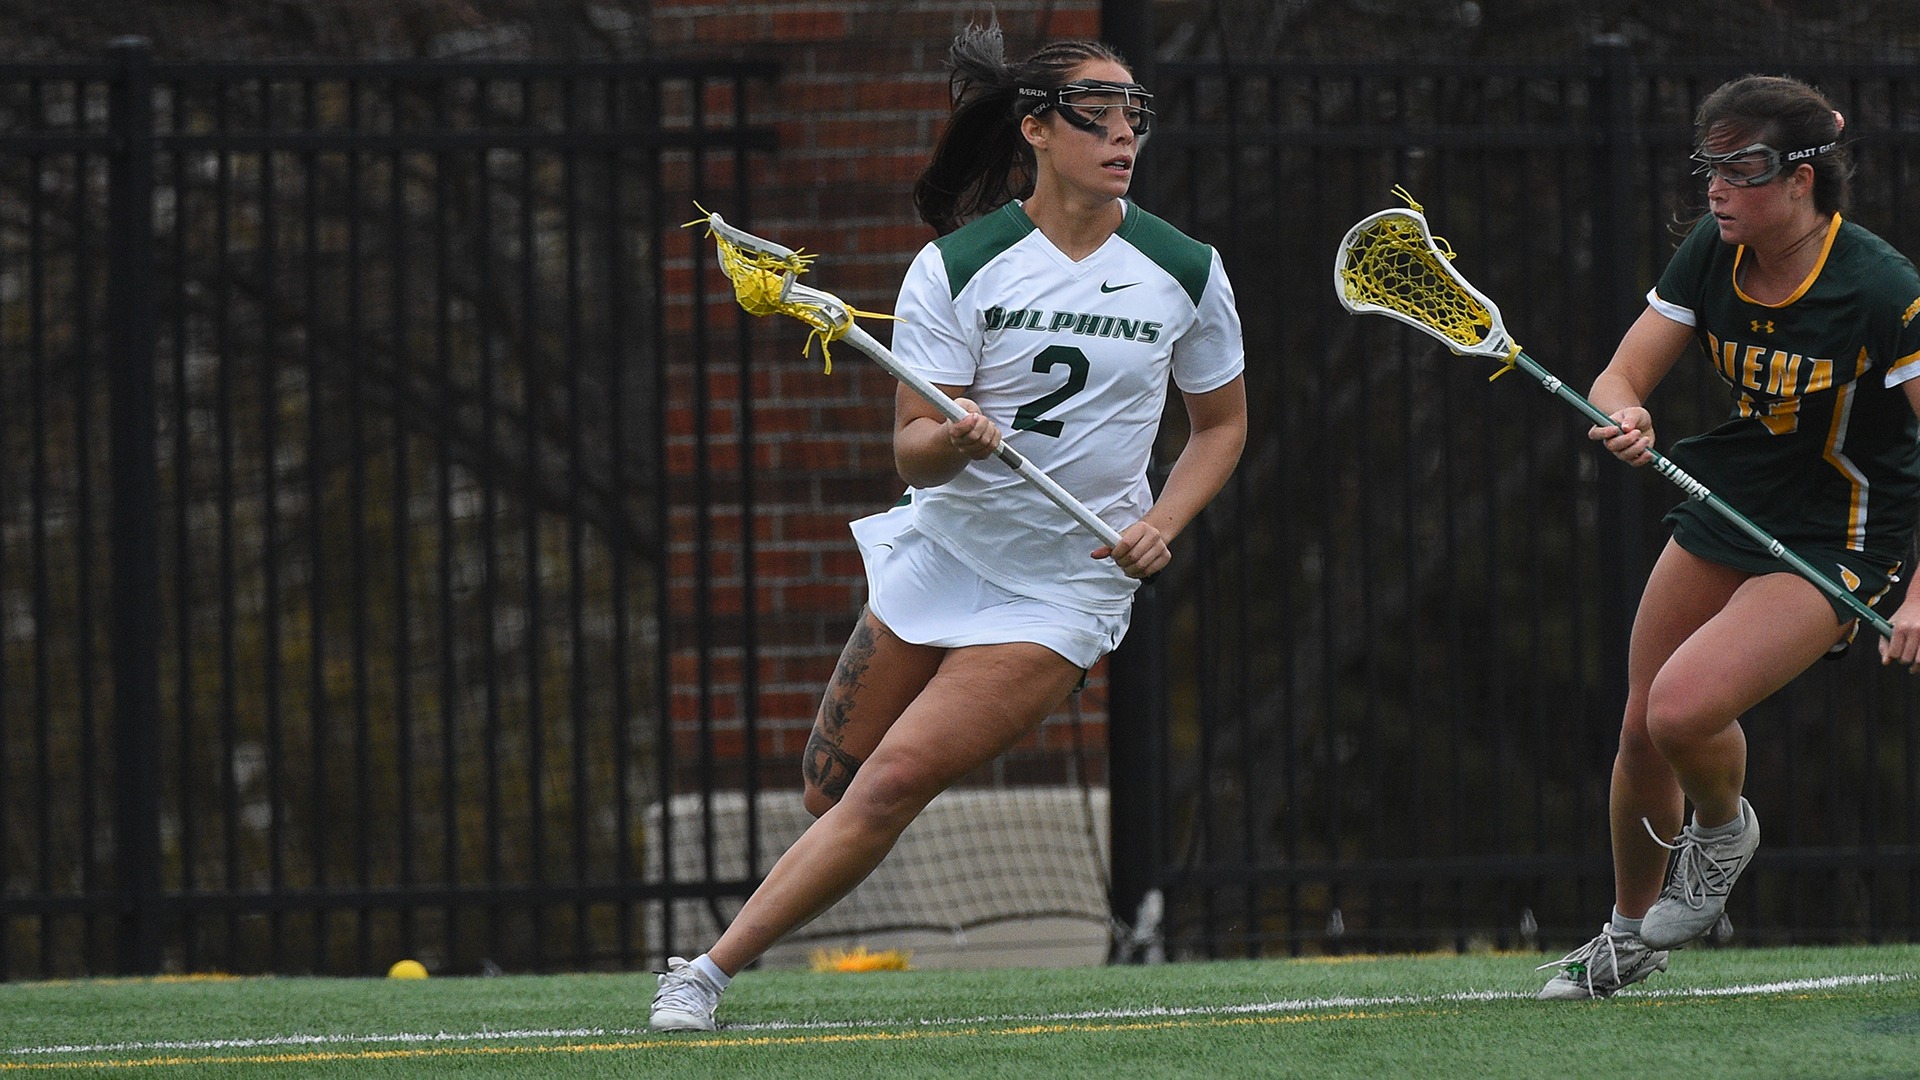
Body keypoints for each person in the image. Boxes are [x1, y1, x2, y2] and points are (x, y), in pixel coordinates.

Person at [650, 22, 1247, 1030]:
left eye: (1133, 114)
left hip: (1063, 584)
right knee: (827, 790)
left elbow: (1222, 426)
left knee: (890, 783)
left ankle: (703, 972)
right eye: (1094, 113)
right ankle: (753, 928)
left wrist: (1165, 522)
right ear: (1035, 131)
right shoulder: (959, 266)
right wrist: (955, 442)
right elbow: (911, 448)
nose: (1121, 132)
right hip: (946, 549)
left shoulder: (1184, 271)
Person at [1538, 74, 1920, 1000]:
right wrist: (1625, 416)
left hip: (1845, 529)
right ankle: (1628, 936)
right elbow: (1620, 374)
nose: (1716, 186)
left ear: (1803, 177)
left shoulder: (1878, 284)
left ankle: (1722, 832)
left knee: (1680, 711)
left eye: (1742, 165)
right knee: (1637, 726)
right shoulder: (1713, 252)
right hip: (1735, 494)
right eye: (1709, 162)